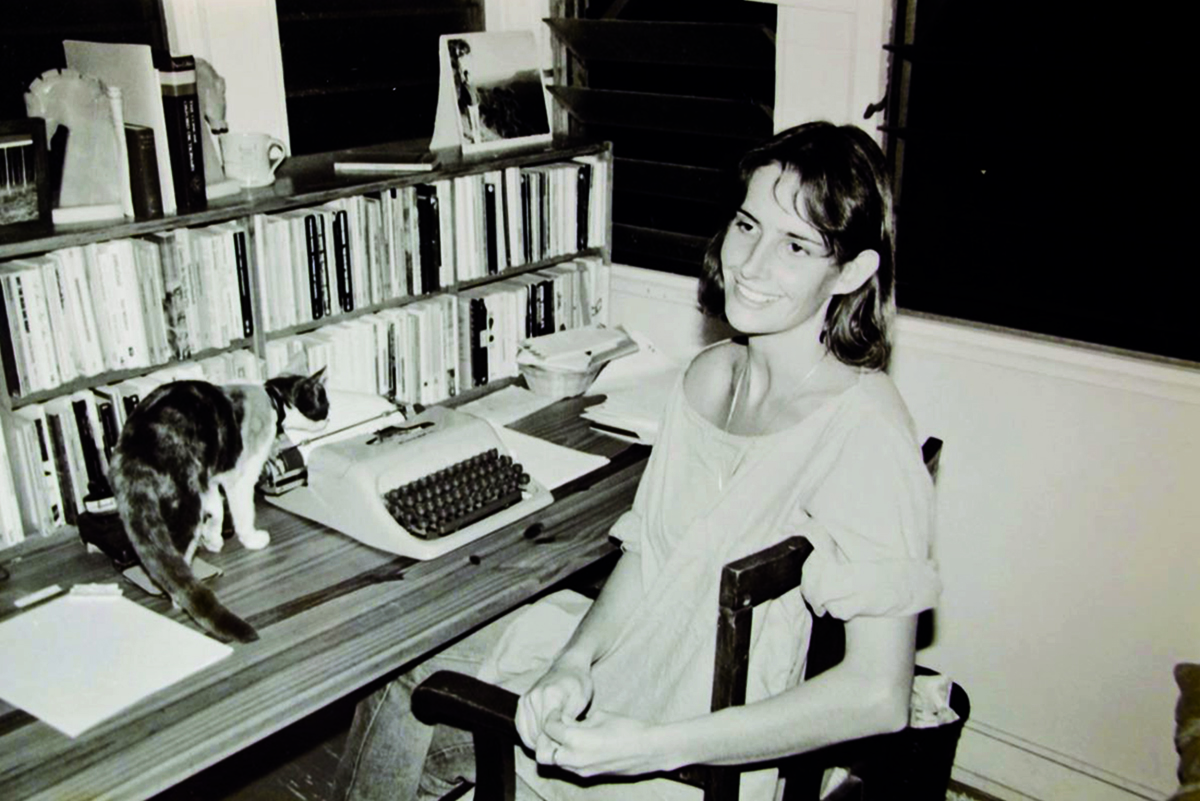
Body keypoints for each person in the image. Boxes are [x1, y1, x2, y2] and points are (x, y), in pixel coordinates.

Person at [333, 121, 941, 801]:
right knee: (408, 668)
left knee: (412, 708)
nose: (751, 264)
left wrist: (650, 749)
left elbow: (878, 695)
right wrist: (574, 662)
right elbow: (647, 552)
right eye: (747, 225)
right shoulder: (711, 377)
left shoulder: (867, 430)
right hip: (633, 665)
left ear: (853, 271)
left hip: (692, 753)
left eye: (796, 245)